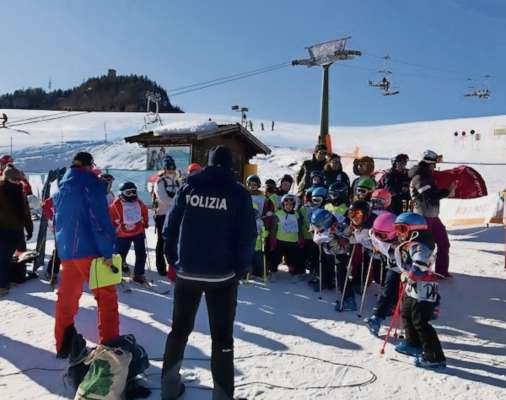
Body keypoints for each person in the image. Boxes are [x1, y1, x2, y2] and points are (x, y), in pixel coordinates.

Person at [161, 145, 256, 400]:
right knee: (222, 338)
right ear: (230, 166)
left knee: (179, 330)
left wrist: (174, 260)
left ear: (209, 163)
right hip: (222, 276)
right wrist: (241, 268)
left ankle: (169, 389)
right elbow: (248, 235)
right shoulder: (237, 193)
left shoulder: (189, 186)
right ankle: (222, 396)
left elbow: (170, 226)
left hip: (187, 272)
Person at [53, 152, 118, 358]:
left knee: (67, 297)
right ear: (90, 166)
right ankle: (109, 349)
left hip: (67, 251)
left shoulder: (62, 187)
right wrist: (107, 251)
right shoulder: (91, 185)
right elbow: (98, 220)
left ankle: (63, 343)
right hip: (90, 251)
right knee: (106, 298)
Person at [393, 212, 446, 369]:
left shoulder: (419, 245)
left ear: (414, 230)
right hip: (413, 288)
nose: (399, 233)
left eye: (402, 229)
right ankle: (413, 343)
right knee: (407, 313)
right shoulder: (410, 243)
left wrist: (410, 275)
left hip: (424, 288)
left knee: (421, 322)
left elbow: (420, 263)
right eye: (397, 229)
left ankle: (435, 357)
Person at [409, 150, 455, 278]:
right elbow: (429, 196)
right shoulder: (419, 178)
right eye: (433, 164)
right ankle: (420, 273)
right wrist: (447, 192)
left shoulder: (427, 177)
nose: (434, 167)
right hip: (422, 218)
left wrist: (446, 192)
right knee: (425, 247)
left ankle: (441, 272)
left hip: (433, 217)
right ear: (427, 164)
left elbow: (432, 194)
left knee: (444, 243)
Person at [364, 212, 401, 336]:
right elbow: (371, 236)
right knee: (388, 289)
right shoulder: (374, 234)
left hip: (404, 269)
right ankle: (378, 318)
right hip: (392, 265)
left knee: (390, 290)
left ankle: (381, 316)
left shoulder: (402, 242)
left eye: (382, 235)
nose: (378, 237)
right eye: (376, 233)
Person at [0, 167, 33, 296]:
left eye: (19, 179)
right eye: (15, 179)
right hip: (4, 230)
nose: (18, 182)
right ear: (6, 178)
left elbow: (26, 212)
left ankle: (18, 276)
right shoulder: (2, 191)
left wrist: (29, 227)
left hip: (17, 230)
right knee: (4, 258)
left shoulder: (20, 191)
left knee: (21, 254)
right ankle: (2, 286)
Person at [109, 182, 149, 282]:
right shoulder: (116, 204)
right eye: (128, 192)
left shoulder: (138, 202)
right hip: (122, 234)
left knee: (141, 253)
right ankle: (117, 273)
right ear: (122, 193)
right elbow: (111, 217)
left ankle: (138, 274)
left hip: (138, 231)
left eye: (133, 192)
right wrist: (114, 227)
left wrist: (145, 222)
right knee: (120, 254)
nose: (131, 195)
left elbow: (144, 212)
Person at [153, 155, 181, 276]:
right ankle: (160, 267)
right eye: (168, 167)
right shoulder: (160, 181)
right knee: (162, 241)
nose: (171, 170)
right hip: (163, 215)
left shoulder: (177, 181)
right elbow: (163, 198)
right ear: (164, 168)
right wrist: (177, 203)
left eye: (172, 167)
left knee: (175, 241)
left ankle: (174, 267)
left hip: (175, 215)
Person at [268, 194, 305, 282]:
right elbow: (274, 228)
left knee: (294, 258)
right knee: (276, 258)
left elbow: (299, 227)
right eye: (286, 204)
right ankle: (273, 272)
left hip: (293, 241)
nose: (289, 206)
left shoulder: (296, 214)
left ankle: (295, 273)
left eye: (291, 204)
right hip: (280, 240)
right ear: (283, 205)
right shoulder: (278, 214)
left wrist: (301, 237)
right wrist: (272, 240)